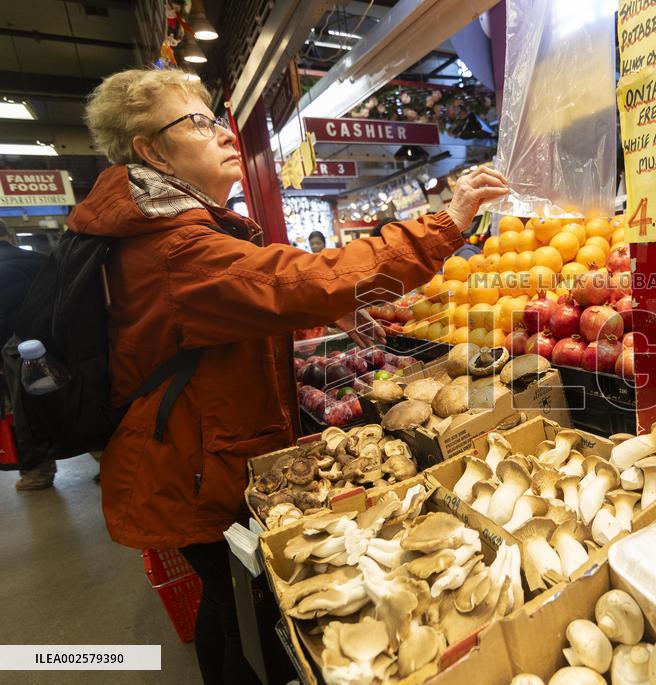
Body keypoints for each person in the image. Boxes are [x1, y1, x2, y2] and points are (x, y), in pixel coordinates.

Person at [76, 68, 507, 685]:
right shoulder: (175, 247)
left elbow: (258, 300)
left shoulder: (171, 232)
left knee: (226, 603)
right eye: (197, 122)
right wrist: (448, 220)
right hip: (196, 467)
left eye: (216, 117)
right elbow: (296, 281)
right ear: (151, 151)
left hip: (193, 451)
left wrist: (337, 304)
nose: (224, 134)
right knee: (242, 616)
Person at [0, 220, 54, 491]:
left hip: (15, 347)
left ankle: (37, 472)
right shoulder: (41, 259)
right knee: (72, 396)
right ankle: (103, 457)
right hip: (55, 340)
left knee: (25, 411)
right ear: (8, 235)